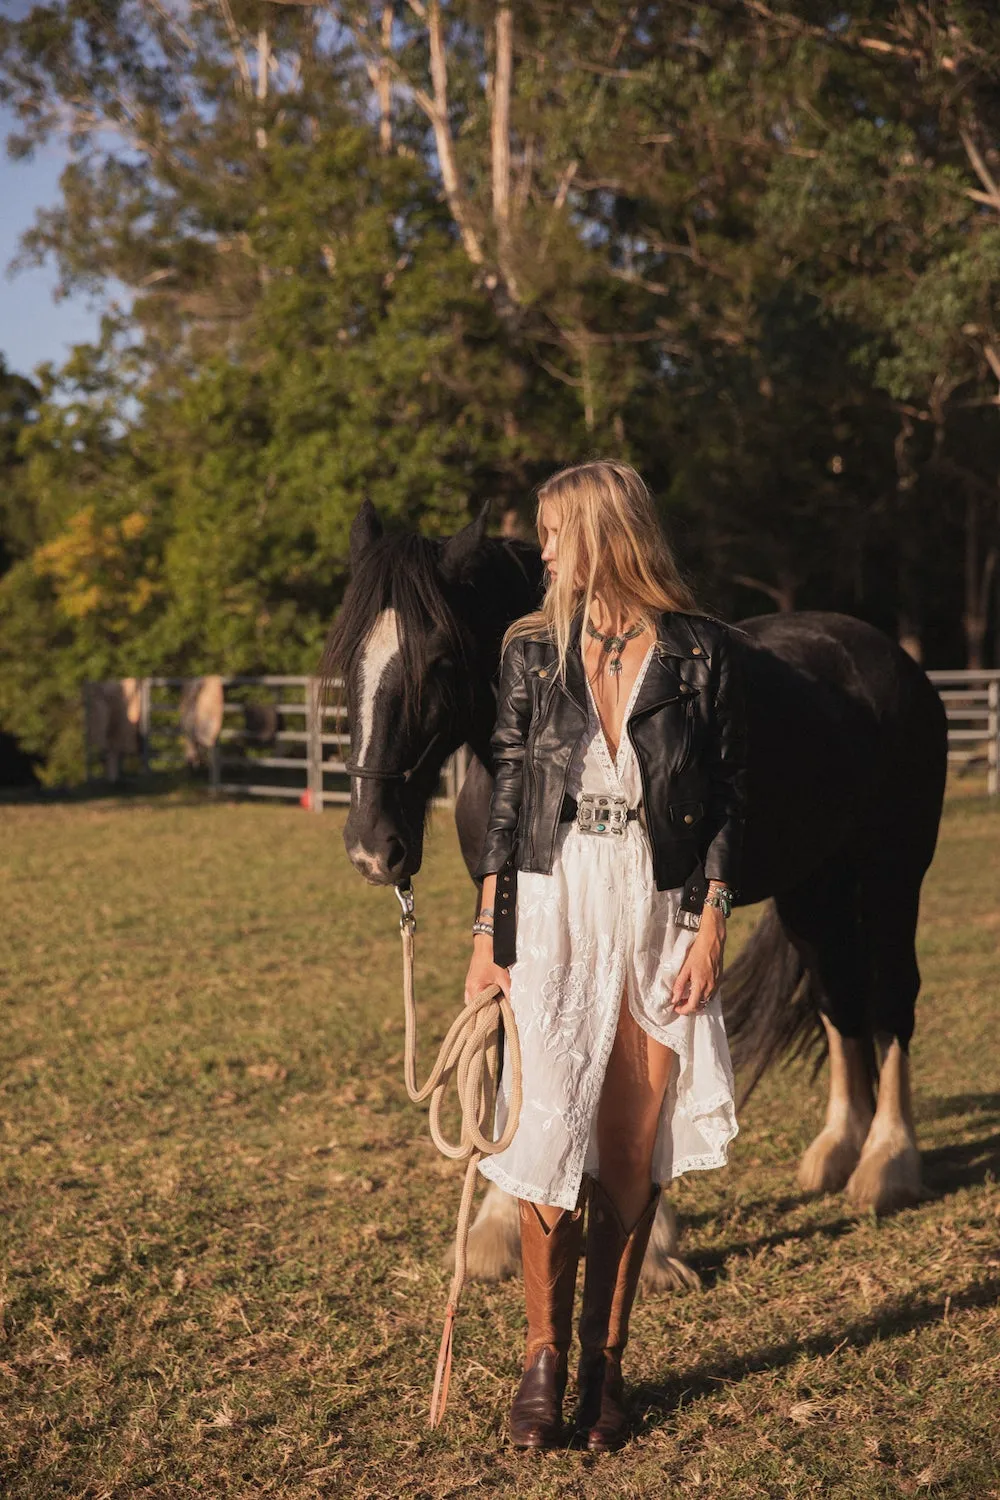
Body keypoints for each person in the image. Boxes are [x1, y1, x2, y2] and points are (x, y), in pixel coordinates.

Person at [464, 459, 747, 1453]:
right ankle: (540, 1359)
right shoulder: (530, 648)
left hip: (659, 904)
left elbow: (723, 803)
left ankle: (605, 1365)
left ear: (604, 528)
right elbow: (506, 790)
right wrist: (485, 937)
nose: (542, 547)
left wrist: (713, 922)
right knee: (544, 1139)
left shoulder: (706, 652)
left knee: (628, 1152)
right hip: (553, 903)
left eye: (554, 528)